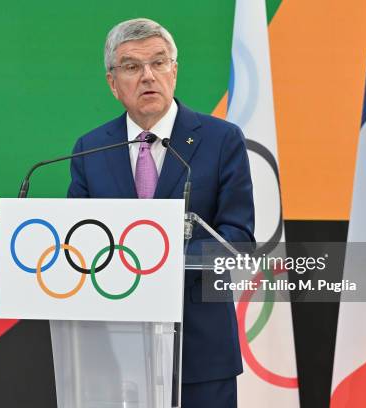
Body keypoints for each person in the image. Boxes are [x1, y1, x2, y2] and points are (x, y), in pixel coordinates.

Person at [68, 18, 255, 408]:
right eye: (132, 67)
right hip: (112, 354)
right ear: (113, 83)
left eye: (158, 62)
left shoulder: (220, 141)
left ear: (174, 70)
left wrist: (159, 262)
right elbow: (77, 242)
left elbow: (238, 240)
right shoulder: (90, 149)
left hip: (201, 351)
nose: (148, 76)